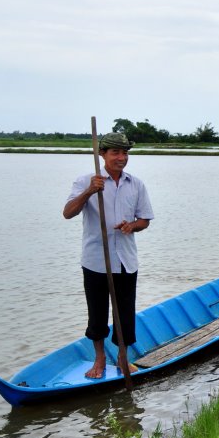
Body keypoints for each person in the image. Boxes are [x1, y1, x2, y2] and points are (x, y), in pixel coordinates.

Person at [63, 132, 154, 379]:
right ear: (102, 154)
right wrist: (90, 192)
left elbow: (144, 219)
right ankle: (100, 358)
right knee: (97, 312)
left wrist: (131, 226)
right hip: (95, 259)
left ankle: (124, 357)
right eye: (115, 152)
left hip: (126, 260)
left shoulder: (136, 184)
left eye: (125, 152)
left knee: (124, 312)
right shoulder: (86, 181)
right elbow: (68, 213)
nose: (121, 157)